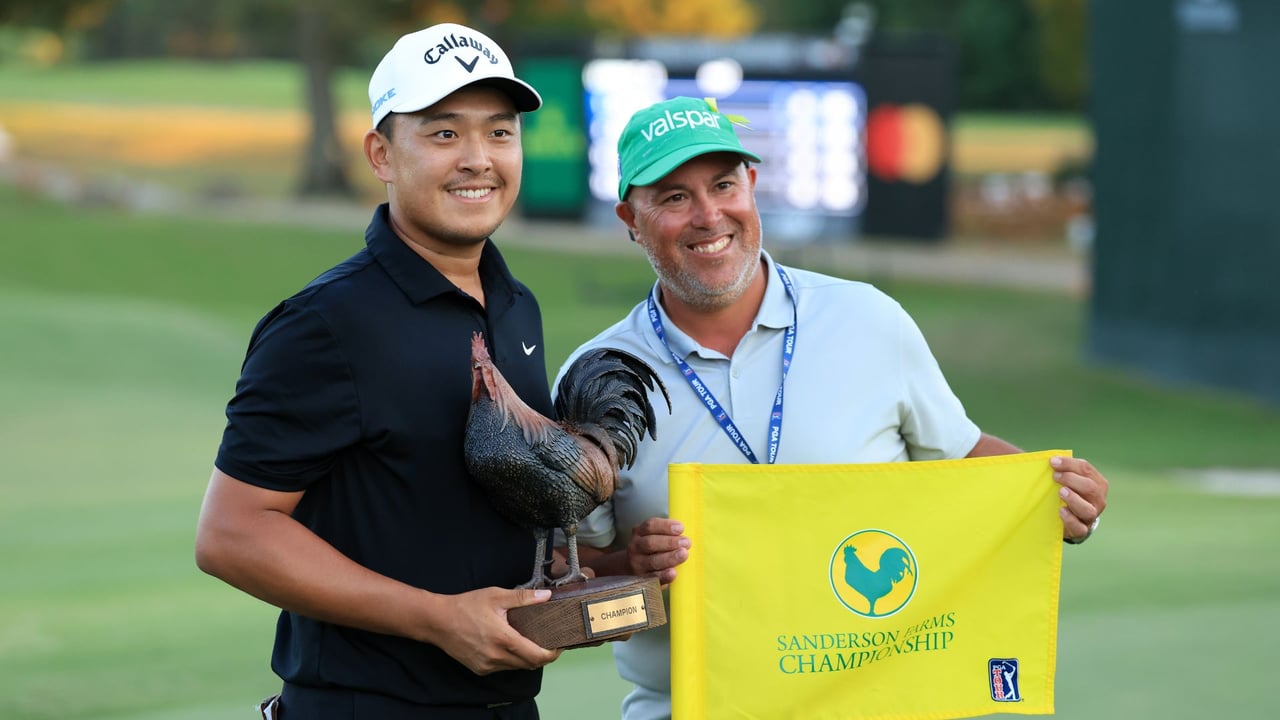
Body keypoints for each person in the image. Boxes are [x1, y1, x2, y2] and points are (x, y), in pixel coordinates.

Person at [553, 96, 1110, 720]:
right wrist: (630, 565)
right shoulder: (593, 380)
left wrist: (1052, 492)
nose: (709, 215)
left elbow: (962, 456)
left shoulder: (868, 320)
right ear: (631, 217)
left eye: (723, 184)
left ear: (752, 186)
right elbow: (565, 577)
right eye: (674, 196)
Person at [195, 23, 563, 720]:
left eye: (500, 132)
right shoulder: (326, 324)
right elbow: (232, 535)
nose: (479, 159)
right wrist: (438, 618)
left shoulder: (516, 306)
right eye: (444, 134)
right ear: (381, 155)